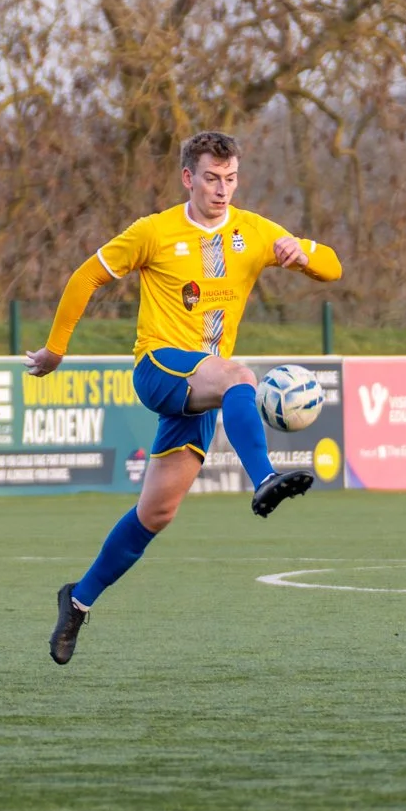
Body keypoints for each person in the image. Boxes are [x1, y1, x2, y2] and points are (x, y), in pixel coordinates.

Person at [29, 130, 342, 664]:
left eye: (231, 178)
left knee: (156, 512)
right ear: (187, 178)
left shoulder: (253, 232)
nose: (222, 189)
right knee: (240, 376)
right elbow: (86, 277)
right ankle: (263, 477)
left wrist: (304, 253)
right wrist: (56, 349)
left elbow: (333, 267)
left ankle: (77, 601)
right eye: (212, 178)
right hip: (159, 367)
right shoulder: (154, 232)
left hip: (204, 387)